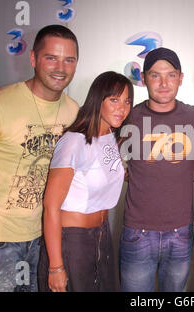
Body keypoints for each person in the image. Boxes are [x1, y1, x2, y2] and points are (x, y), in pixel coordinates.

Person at [0, 24, 79, 292]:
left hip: (40, 239)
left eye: (69, 60)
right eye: (51, 57)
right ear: (33, 58)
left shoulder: (73, 111)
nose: (60, 68)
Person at [38, 71, 133, 292]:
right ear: (97, 100)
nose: (122, 108)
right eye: (114, 99)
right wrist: (55, 266)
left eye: (127, 101)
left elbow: (103, 173)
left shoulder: (110, 135)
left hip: (102, 235)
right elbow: (51, 206)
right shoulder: (73, 142)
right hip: (72, 241)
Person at [119, 47, 194, 292]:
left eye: (171, 75)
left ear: (181, 78)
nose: (164, 83)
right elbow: (111, 160)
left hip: (181, 232)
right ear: (144, 79)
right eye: (155, 75)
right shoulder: (129, 118)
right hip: (138, 232)